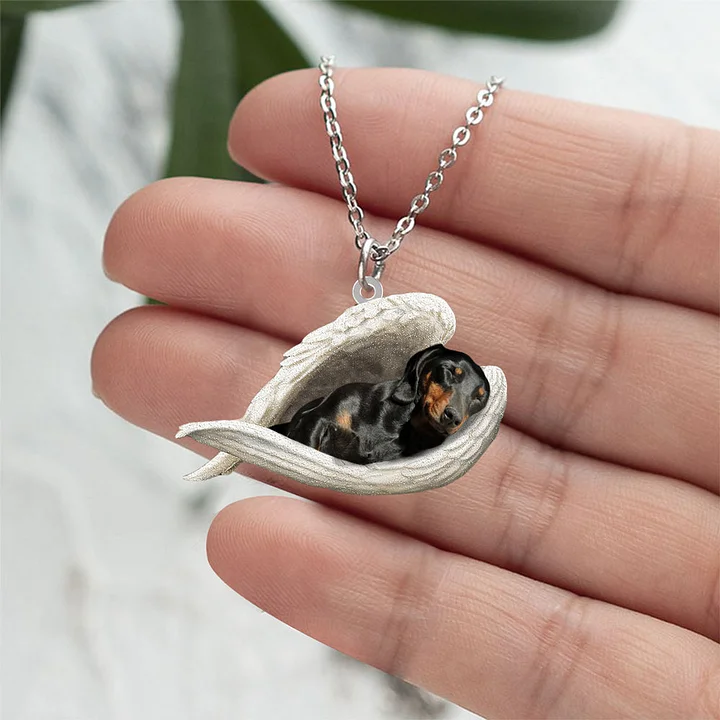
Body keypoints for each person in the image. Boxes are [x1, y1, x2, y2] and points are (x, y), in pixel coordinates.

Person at [92, 68, 719, 719]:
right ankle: (251, 438)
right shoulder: (390, 389)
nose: (445, 394)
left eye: (451, 397)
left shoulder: (425, 412)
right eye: (441, 385)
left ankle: (250, 440)